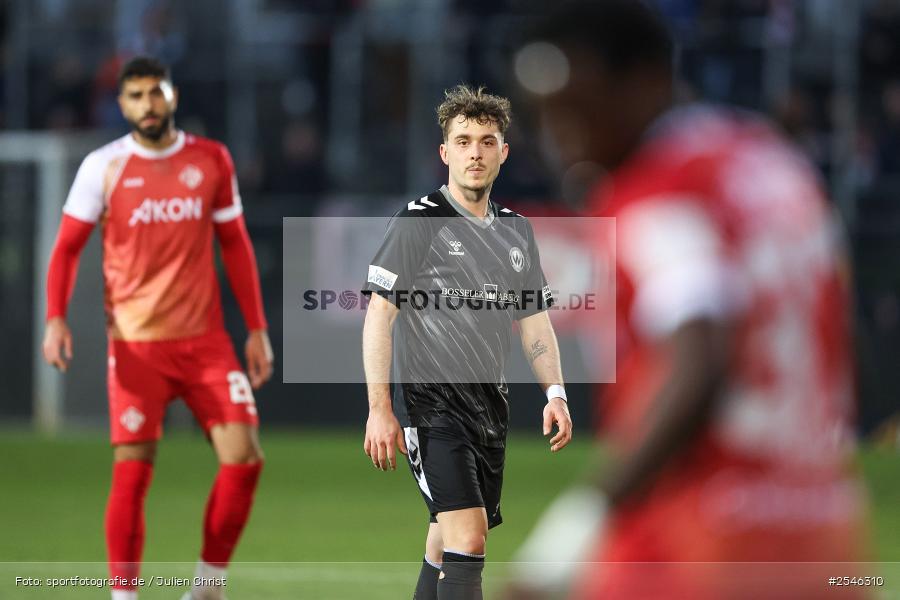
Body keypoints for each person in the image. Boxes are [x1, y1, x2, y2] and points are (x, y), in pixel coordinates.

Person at [517, 1, 867, 598]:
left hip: (698, 541)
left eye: (580, 110)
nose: (560, 139)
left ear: (647, 79)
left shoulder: (660, 188)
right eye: (547, 118)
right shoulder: (769, 160)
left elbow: (700, 353)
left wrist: (577, 525)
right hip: (824, 535)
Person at [41, 56, 273, 600]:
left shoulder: (210, 159)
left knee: (244, 457)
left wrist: (257, 328)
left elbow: (235, 244)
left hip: (206, 343)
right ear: (122, 105)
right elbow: (66, 249)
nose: (148, 104)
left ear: (173, 96)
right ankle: (125, 597)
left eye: (156, 92)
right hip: (137, 345)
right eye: (136, 96)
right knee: (132, 472)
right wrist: (55, 318)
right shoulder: (103, 166)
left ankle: (207, 588)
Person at [362, 84, 573, 600]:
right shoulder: (419, 222)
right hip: (434, 410)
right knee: (469, 540)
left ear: (503, 151)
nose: (474, 152)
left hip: (489, 411)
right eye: (462, 141)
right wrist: (379, 408)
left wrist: (556, 394)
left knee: (444, 542)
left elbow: (535, 323)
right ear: (444, 153)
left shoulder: (516, 231)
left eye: (486, 140)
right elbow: (379, 316)